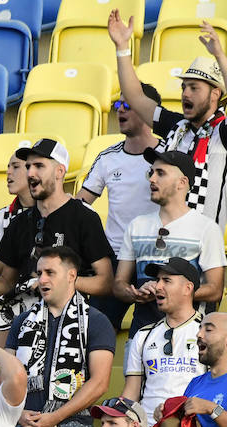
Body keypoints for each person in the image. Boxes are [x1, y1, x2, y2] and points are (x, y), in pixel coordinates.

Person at [4, 247, 116, 427]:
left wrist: (56, 416)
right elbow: (7, 377)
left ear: (71, 275)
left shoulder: (96, 321)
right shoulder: (21, 321)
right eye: (39, 273)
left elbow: (100, 382)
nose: (42, 279)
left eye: (50, 273)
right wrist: (16, 414)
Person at [107, 17, 227, 232]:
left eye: (194, 88)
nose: (185, 94)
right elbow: (135, 96)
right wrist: (122, 47)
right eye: (183, 87)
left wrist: (219, 55)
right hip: (164, 236)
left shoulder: (225, 132)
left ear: (215, 94)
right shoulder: (176, 126)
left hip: (202, 245)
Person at [0, 141, 115, 344]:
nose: (30, 173)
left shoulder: (84, 217)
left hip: (68, 321)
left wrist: (60, 283)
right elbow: (8, 282)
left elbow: (105, 282)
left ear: (59, 172)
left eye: (39, 166)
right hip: (25, 317)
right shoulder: (19, 222)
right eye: (28, 166)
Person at [114, 150, 227, 329]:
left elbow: (215, 290)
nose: (152, 179)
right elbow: (119, 284)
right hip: (141, 332)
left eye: (161, 173)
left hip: (188, 336)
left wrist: (166, 291)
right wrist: (134, 293)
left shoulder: (206, 228)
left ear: (182, 183)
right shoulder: (137, 225)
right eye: (151, 173)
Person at [78, 82, 162, 303]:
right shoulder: (107, 158)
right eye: (118, 103)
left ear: (147, 110)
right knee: (96, 326)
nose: (119, 109)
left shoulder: (168, 156)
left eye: (127, 104)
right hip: (115, 256)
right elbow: (80, 206)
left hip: (156, 255)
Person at [121, 258, 208, 421]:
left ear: (187, 288)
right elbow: (131, 394)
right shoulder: (143, 335)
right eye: (157, 280)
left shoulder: (208, 332)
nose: (157, 286)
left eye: (166, 280)